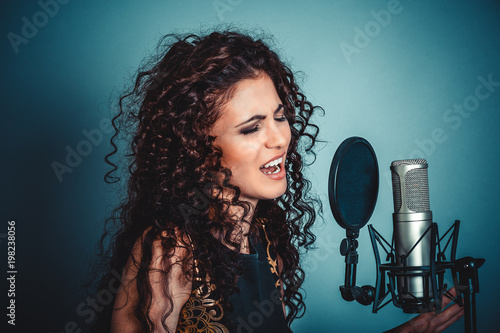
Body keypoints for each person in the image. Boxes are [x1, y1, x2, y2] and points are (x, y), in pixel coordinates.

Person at [89, 31, 463, 333]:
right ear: (198, 148)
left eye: (280, 117)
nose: (280, 139)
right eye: (252, 127)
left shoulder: (267, 240)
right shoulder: (171, 250)